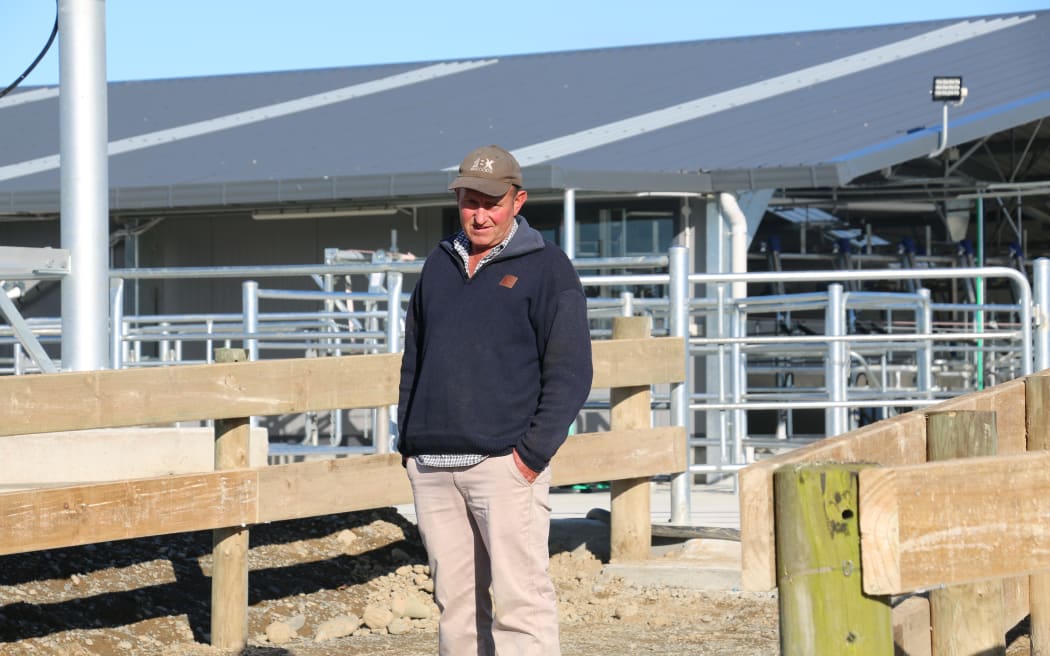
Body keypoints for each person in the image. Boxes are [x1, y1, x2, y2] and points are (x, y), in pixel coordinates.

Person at [397, 144, 593, 656]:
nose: (479, 214)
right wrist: (410, 446)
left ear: (517, 200)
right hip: (434, 466)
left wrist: (529, 457)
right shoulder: (438, 266)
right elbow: (414, 359)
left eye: (491, 202)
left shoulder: (548, 269)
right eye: (469, 201)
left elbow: (571, 371)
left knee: (519, 603)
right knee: (456, 607)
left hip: (504, 466)